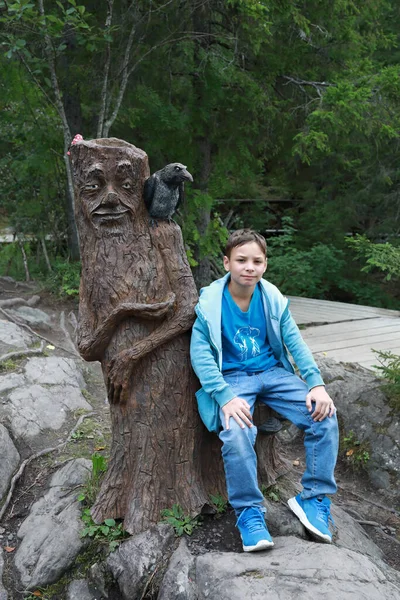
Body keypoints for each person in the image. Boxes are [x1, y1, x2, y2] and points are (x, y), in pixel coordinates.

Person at [190, 229, 339, 552]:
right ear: (227, 262)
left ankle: (313, 499)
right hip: (233, 379)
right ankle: (248, 512)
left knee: (324, 416)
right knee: (237, 429)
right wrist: (223, 396)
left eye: (257, 261)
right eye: (241, 260)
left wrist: (315, 383)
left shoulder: (272, 298)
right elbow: (200, 354)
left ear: (265, 265)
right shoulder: (211, 303)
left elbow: (294, 341)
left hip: (272, 373)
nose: (249, 267)